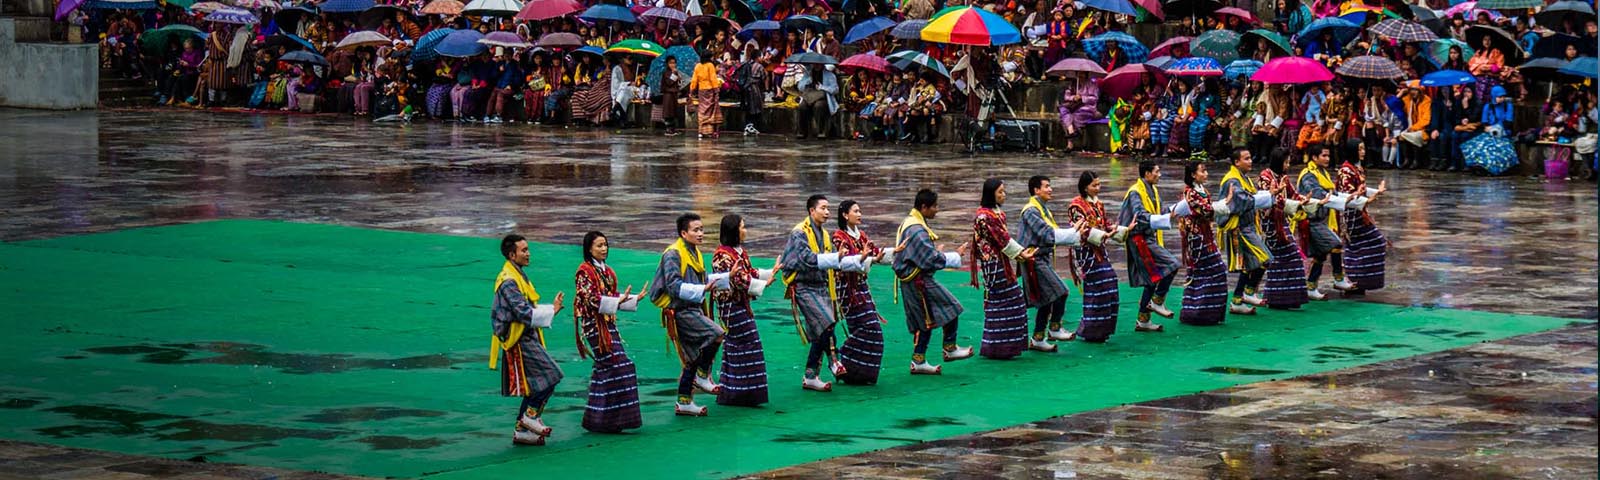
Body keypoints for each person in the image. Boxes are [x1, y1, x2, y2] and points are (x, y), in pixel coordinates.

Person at [490, 235, 567, 446]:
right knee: (552, 375)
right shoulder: (508, 281)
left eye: (528, 249)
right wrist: (552, 310)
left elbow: (527, 311)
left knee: (537, 384)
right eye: (523, 250)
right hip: (518, 337)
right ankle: (529, 417)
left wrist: (553, 309)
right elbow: (524, 313)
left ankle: (521, 430)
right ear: (511, 254)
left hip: (526, 333)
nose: (528, 253)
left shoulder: (518, 275)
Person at [647, 214, 726, 416]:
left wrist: (728, 278)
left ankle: (684, 402)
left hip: (692, 307)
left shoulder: (694, 252)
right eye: (696, 230)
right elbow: (673, 287)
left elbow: (705, 280)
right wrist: (702, 290)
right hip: (680, 310)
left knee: (691, 357)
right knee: (717, 334)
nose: (700, 234)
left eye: (702, 229)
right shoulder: (673, 254)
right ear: (684, 233)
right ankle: (702, 375)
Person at [890, 189, 974, 374]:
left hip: (914, 279)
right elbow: (928, 258)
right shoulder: (916, 229)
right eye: (935, 206)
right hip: (918, 280)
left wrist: (938, 253)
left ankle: (918, 361)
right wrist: (953, 256)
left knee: (924, 320)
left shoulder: (911, 223)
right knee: (951, 307)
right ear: (924, 207)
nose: (937, 210)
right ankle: (949, 348)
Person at [780, 195, 854, 392]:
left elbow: (830, 260)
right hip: (803, 285)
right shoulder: (799, 233)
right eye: (823, 208)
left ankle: (810, 375)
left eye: (828, 208)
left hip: (821, 284)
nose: (827, 212)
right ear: (812, 211)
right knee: (827, 322)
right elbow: (806, 259)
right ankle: (833, 360)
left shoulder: (824, 234)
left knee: (820, 330)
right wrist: (834, 258)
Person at [572, 231, 643, 434]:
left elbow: (612, 297)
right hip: (594, 326)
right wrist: (619, 301)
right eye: (599, 246)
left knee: (608, 367)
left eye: (605, 245)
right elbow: (591, 300)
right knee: (620, 365)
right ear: (589, 249)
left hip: (608, 324)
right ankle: (608, 419)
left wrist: (634, 299)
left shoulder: (608, 272)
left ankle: (600, 419)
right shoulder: (584, 271)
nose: (604, 249)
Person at [1015, 175, 1086, 348]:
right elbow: (1047, 234)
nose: (1050, 189)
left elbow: (1051, 232)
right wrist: (1073, 231)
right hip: (1034, 260)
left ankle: (1038, 339)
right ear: (1036, 190)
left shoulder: (1041, 208)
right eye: (1046, 186)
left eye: (1050, 186)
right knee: (1061, 292)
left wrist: (1073, 233)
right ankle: (1054, 328)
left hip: (1041, 258)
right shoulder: (1031, 210)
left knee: (1047, 299)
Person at [969, 179, 1036, 359]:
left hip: (1002, 261)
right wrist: (1021, 253)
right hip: (993, 265)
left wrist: (1020, 253)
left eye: (1003, 191)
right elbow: (1002, 239)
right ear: (991, 194)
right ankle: (998, 348)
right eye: (1000, 192)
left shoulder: (995, 212)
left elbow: (1004, 239)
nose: (1003, 195)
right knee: (1007, 300)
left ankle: (1005, 347)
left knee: (1012, 301)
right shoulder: (984, 216)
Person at [712, 215, 773, 406]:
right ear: (734, 231)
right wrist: (764, 283)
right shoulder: (722, 255)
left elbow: (749, 272)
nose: (745, 230)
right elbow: (739, 280)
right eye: (742, 227)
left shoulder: (738, 252)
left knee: (737, 347)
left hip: (741, 305)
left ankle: (734, 392)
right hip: (731, 308)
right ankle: (740, 393)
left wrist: (771, 271)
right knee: (748, 344)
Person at [832, 200, 891, 385]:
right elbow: (846, 262)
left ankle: (855, 374)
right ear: (844, 215)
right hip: (848, 290)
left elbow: (874, 254)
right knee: (870, 328)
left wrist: (891, 253)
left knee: (862, 329)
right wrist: (867, 258)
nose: (860, 214)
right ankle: (838, 356)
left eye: (860, 210)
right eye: (856, 211)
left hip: (862, 288)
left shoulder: (862, 235)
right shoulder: (838, 237)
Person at [1118, 161, 1178, 332]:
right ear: (1147, 174)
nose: (1159, 175)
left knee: (1151, 279)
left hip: (1148, 237)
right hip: (1139, 239)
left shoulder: (1153, 190)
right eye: (1157, 171)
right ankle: (1157, 300)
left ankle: (1143, 320)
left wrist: (1175, 209)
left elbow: (1159, 209)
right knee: (1172, 264)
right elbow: (1141, 215)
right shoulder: (1136, 192)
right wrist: (1162, 219)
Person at [1168, 162, 1230, 325]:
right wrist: (1225, 202)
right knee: (1213, 270)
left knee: (1210, 271)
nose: (1206, 174)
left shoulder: (1202, 191)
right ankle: (1198, 312)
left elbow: (1208, 212)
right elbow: (1205, 210)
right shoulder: (1189, 193)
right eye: (1203, 171)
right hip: (1197, 238)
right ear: (1193, 175)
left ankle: (1204, 312)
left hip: (1206, 235)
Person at [1216, 147, 1277, 314]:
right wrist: (1267, 196)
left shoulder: (1244, 179)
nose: (1250, 161)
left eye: (1250, 158)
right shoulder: (1232, 181)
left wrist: (1268, 197)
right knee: (1263, 260)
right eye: (1246, 158)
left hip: (1249, 226)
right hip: (1239, 227)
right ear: (1236, 162)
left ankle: (1238, 299)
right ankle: (1247, 292)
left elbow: (1252, 197)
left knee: (1251, 264)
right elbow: (1242, 201)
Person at [1065, 171, 1124, 342]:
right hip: (1087, 253)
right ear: (1085, 187)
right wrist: (1104, 234)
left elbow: (1105, 224)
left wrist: (1119, 230)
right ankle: (1091, 330)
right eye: (1094, 185)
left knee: (1109, 285)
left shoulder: (1098, 203)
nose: (1098, 188)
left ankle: (1100, 330)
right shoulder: (1076, 206)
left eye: (1099, 184)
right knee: (1100, 286)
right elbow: (1083, 230)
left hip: (1100, 250)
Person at [1256, 148, 1311, 309]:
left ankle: (1281, 298)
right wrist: (1297, 203)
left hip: (1283, 221)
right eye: (1285, 162)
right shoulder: (1265, 177)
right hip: (1271, 224)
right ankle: (1279, 297)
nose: (1288, 165)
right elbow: (1272, 201)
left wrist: (1307, 200)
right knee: (1290, 254)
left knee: (1285, 258)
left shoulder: (1283, 177)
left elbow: (1293, 195)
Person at [1296, 145, 1353, 300]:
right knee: (1334, 244)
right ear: (1314, 158)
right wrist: (1343, 200)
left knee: (1321, 254)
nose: (1327, 159)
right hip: (1312, 219)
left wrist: (1350, 197)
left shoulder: (1323, 173)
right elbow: (1320, 195)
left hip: (1323, 219)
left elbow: (1332, 193)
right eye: (1324, 156)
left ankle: (1311, 286)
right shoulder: (1308, 175)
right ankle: (1338, 278)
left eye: (1328, 156)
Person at [1337, 140, 1389, 293]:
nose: (1363, 152)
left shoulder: (1356, 168)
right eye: (1359, 149)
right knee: (1373, 241)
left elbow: (1362, 190)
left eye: (1363, 148)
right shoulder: (1346, 171)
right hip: (1352, 216)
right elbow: (1348, 196)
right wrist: (1367, 199)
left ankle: (1359, 280)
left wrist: (1376, 192)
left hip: (1360, 213)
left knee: (1363, 245)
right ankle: (1354, 279)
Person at [796, 64, 841, 140]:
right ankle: (802, 132)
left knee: (819, 106)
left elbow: (835, 90)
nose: (816, 66)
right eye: (814, 64)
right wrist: (807, 81)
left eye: (818, 64)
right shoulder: (808, 73)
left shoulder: (830, 75)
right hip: (809, 97)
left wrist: (822, 87)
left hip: (822, 97)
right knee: (802, 107)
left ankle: (821, 131)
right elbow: (800, 87)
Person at [690, 57, 723, 138]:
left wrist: (692, 90)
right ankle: (711, 130)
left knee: (702, 110)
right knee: (711, 110)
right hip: (710, 90)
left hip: (701, 90)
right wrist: (716, 90)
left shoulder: (697, 66)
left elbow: (694, 80)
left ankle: (701, 131)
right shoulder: (710, 65)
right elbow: (713, 78)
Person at [656, 56, 687, 135]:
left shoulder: (676, 72)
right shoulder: (666, 72)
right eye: (671, 63)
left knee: (673, 112)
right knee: (668, 112)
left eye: (674, 63)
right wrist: (673, 74)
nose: (673, 65)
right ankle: (668, 129)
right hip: (668, 94)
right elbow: (669, 82)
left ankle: (673, 129)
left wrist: (678, 78)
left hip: (674, 94)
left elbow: (678, 83)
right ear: (667, 64)